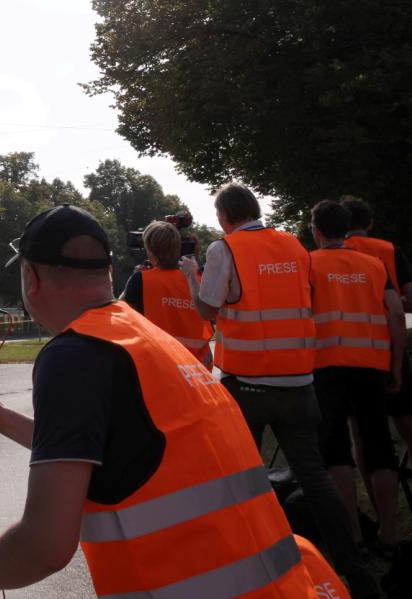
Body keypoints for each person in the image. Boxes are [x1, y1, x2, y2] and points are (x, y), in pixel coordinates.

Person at [0, 204, 317, 597]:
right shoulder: (140, 337)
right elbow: (118, 452)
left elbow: (44, 545)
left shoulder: (74, 354)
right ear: (108, 271)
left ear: (30, 277)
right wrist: (1, 418)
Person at [180, 183, 378, 598]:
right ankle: (358, 574)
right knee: (315, 476)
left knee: (243, 479)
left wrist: (190, 275)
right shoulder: (294, 246)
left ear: (225, 215)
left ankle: (253, 571)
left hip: (248, 383)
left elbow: (206, 309)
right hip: (300, 382)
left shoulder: (225, 249)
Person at [309, 200, 403, 551]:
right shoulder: (375, 265)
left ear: (316, 230)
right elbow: (395, 313)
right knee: (380, 445)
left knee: (335, 450)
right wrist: (396, 366)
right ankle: (389, 534)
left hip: (326, 365)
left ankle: (352, 535)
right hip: (372, 364)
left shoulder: (309, 264)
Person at [341, 195, 412, 459]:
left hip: (349, 349)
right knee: (404, 414)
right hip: (390, 341)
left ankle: (373, 488)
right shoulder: (389, 250)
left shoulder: (332, 255)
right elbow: (409, 301)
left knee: (361, 429)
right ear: (369, 223)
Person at [120, 220, 214, 366]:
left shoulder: (142, 280)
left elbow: (119, 313)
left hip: (162, 367)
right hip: (199, 369)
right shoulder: (196, 279)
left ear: (149, 249)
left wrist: (134, 278)